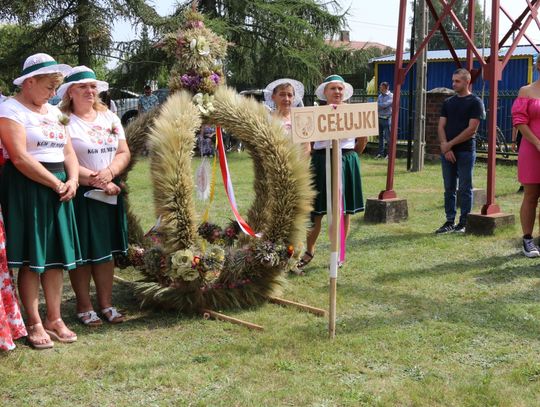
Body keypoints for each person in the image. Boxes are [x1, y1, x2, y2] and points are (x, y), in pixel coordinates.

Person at [0, 53, 80, 349]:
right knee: (32, 258)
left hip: (59, 187)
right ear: (29, 82)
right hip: (28, 186)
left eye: (55, 88)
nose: (52, 93)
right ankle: (34, 321)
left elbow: (68, 151)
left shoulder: (56, 112)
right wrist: (56, 183)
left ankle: (54, 318)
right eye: (48, 87)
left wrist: (72, 180)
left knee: (55, 258)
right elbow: (19, 157)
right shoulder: (10, 109)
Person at [58, 66, 130, 324]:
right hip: (81, 193)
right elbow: (64, 159)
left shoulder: (109, 117)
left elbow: (123, 152)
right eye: (83, 87)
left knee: (106, 251)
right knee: (84, 253)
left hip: (110, 191)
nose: (90, 91)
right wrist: (98, 180)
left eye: (93, 86)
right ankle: (84, 305)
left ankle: (107, 304)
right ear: (70, 92)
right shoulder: (62, 120)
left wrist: (110, 173)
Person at [297, 75, 367, 269]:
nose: (337, 92)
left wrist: (349, 158)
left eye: (340, 88)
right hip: (321, 161)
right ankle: (310, 250)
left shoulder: (353, 113)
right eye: (333, 88)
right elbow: (307, 141)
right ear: (325, 92)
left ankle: (339, 253)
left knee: (343, 211)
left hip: (345, 159)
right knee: (315, 210)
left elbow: (362, 140)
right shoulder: (315, 114)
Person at [435, 68, 484, 234]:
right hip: (448, 151)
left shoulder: (475, 102)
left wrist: (449, 144)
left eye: (457, 81)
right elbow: (441, 126)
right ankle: (449, 221)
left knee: (464, 188)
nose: (453, 84)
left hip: (465, 151)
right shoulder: (448, 102)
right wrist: (445, 145)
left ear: (467, 82)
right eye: (453, 80)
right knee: (449, 188)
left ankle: (463, 222)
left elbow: (471, 129)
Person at [512, 56, 540, 257]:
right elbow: (520, 121)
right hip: (531, 149)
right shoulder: (526, 91)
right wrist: (537, 143)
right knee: (531, 195)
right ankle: (528, 240)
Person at [376, 82, 392, 159]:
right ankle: (380, 154)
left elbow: (385, 105)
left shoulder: (391, 96)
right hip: (379, 118)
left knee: (388, 137)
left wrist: (378, 105)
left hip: (387, 118)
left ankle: (389, 154)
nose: (380, 88)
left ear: (386, 88)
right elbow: (380, 105)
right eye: (380, 87)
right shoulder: (380, 96)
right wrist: (380, 105)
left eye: (381, 87)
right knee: (380, 137)